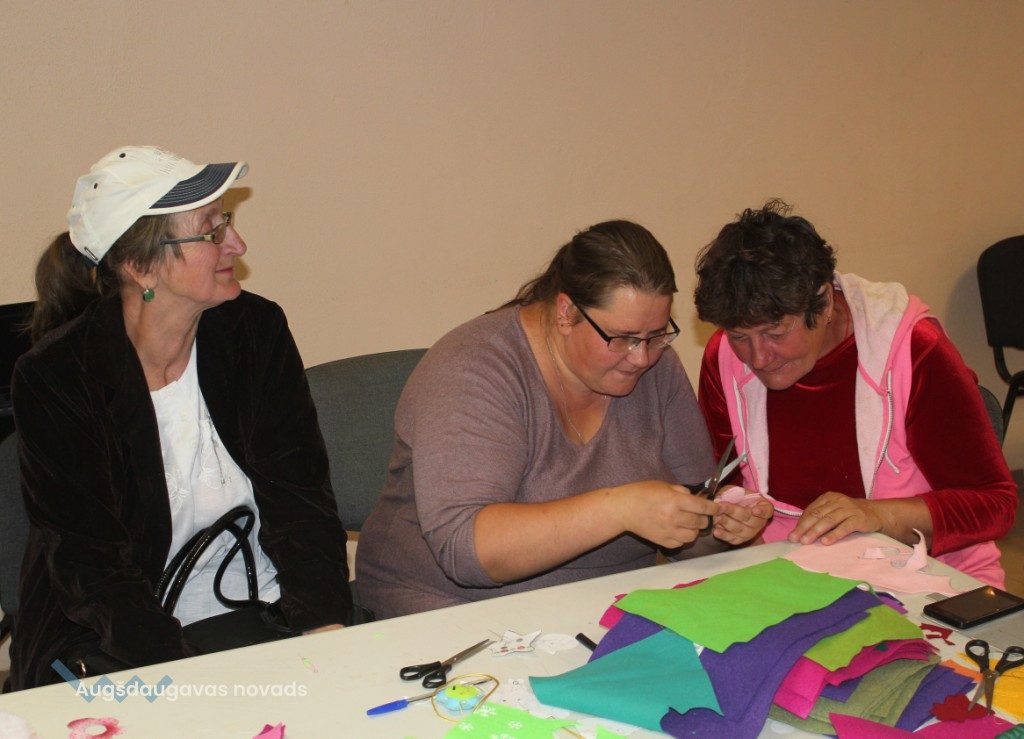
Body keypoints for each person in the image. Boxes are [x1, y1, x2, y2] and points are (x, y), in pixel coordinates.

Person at [9, 146, 352, 690]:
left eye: (225, 222)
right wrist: (191, 679)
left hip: (263, 616)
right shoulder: (59, 374)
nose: (236, 244)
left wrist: (324, 628)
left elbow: (301, 500)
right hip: (120, 640)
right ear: (139, 265)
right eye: (211, 232)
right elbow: (92, 566)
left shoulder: (254, 330)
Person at [357, 220, 767, 619]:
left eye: (657, 335)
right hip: (449, 611)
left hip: (604, 606)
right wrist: (618, 508)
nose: (642, 357)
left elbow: (689, 536)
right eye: (623, 338)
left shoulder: (658, 369)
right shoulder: (474, 369)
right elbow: (467, 551)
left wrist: (721, 528)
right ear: (567, 313)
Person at [694, 199, 1017, 586]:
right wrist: (736, 510)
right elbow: (722, 480)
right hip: (791, 574)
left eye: (775, 333)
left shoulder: (914, 349)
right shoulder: (724, 358)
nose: (758, 358)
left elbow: (994, 505)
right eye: (739, 336)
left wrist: (879, 515)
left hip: (929, 576)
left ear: (824, 302)